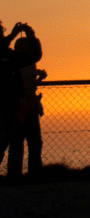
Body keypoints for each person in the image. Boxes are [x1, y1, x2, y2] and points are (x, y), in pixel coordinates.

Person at [1, 22, 41, 172]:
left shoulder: (12, 57)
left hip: (23, 105)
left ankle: (25, 174)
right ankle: (17, 175)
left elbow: (34, 56)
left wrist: (29, 35)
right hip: (13, 107)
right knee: (17, 142)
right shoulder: (8, 58)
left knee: (31, 142)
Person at [7, 35, 45, 178]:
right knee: (29, 142)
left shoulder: (18, 62)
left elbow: (29, 84)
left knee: (20, 143)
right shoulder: (23, 62)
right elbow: (27, 84)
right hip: (22, 106)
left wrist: (38, 77)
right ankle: (32, 173)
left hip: (24, 105)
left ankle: (15, 174)